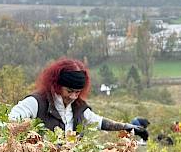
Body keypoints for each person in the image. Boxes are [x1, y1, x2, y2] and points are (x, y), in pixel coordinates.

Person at [8, 57, 147, 140]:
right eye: (69, 91)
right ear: (56, 85)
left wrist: (127, 127)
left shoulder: (78, 107)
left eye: (77, 92)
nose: (73, 96)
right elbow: (12, 119)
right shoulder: (37, 102)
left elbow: (98, 122)